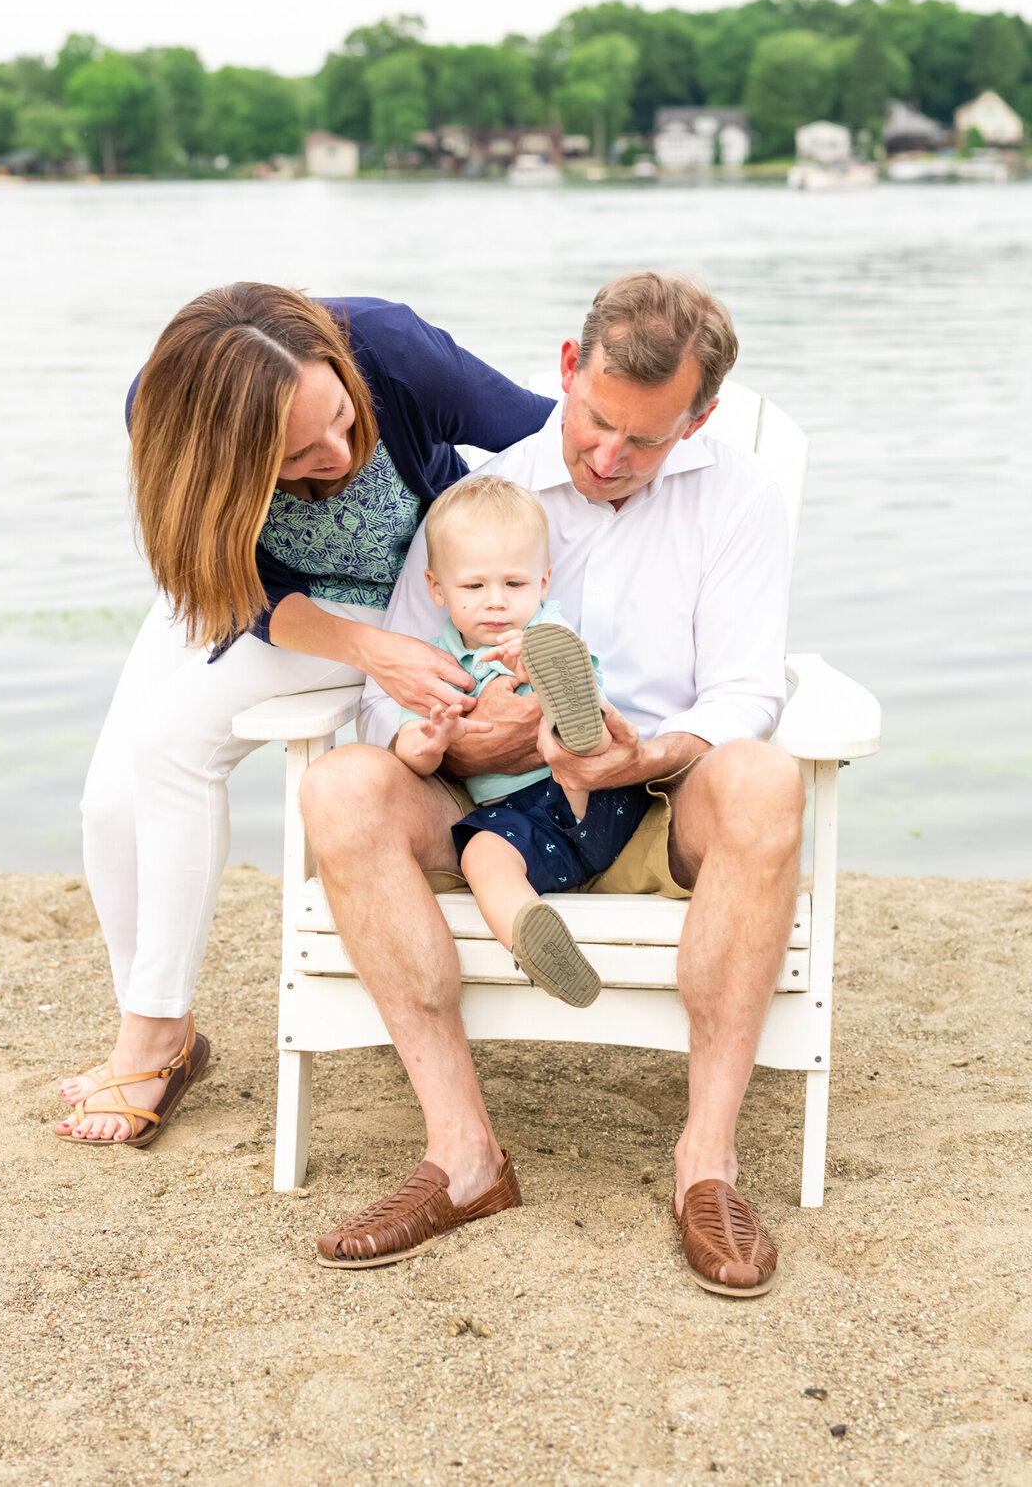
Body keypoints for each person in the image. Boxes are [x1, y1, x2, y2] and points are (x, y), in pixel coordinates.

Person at [302, 271, 805, 1295]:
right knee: (341, 787)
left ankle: (704, 1165)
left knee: (762, 777)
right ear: (569, 371)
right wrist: (456, 741)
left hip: (655, 797)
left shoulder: (738, 496)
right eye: (596, 424)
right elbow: (391, 689)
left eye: (648, 441)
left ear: (700, 417)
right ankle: (465, 1155)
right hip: (487, 800)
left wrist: (648, 754)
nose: (611, 458)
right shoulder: (478, 506)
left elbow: (747, 689)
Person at [56, 283, 553, 1145]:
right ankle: (158, 1022)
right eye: (297, 455)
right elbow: (219, 578)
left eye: (340, 415)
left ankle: (152, 1036)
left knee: (173, 746)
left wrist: (521, 615)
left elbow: (548, 444)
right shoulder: (163, 413)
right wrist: (364, 656)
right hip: (252, 594)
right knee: (107, 802)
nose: (340, 449)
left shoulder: (394, 349)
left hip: (401, 596)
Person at [393, 472, 646, 1009]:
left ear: (544, 583)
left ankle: (564, 713)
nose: (495, 604)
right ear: (437, 588)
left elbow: (598, 702)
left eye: (514, 585)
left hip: (598, 794)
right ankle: (531, 934)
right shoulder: (434, 666)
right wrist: (431, 741)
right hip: (522, 826)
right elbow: (411, 754)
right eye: (473, 587)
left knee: (580, 736)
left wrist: (532, 662)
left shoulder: (549, 633)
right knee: (481, 854)